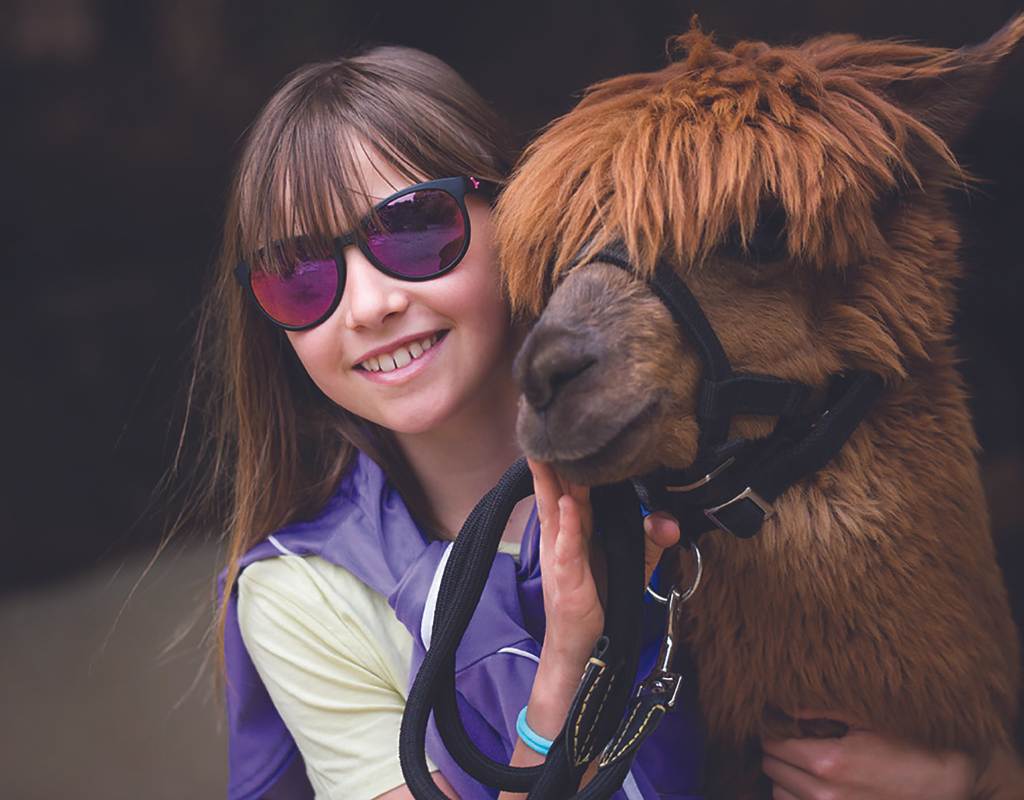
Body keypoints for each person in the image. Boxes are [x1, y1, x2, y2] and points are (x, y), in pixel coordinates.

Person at [198, 45, 1022, 800]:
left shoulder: (697, 475)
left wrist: (982, 779)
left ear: (516, 211)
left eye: (416, 230)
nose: (371, 305)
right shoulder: (308, 595)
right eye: (298, 276)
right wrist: (566, 662)